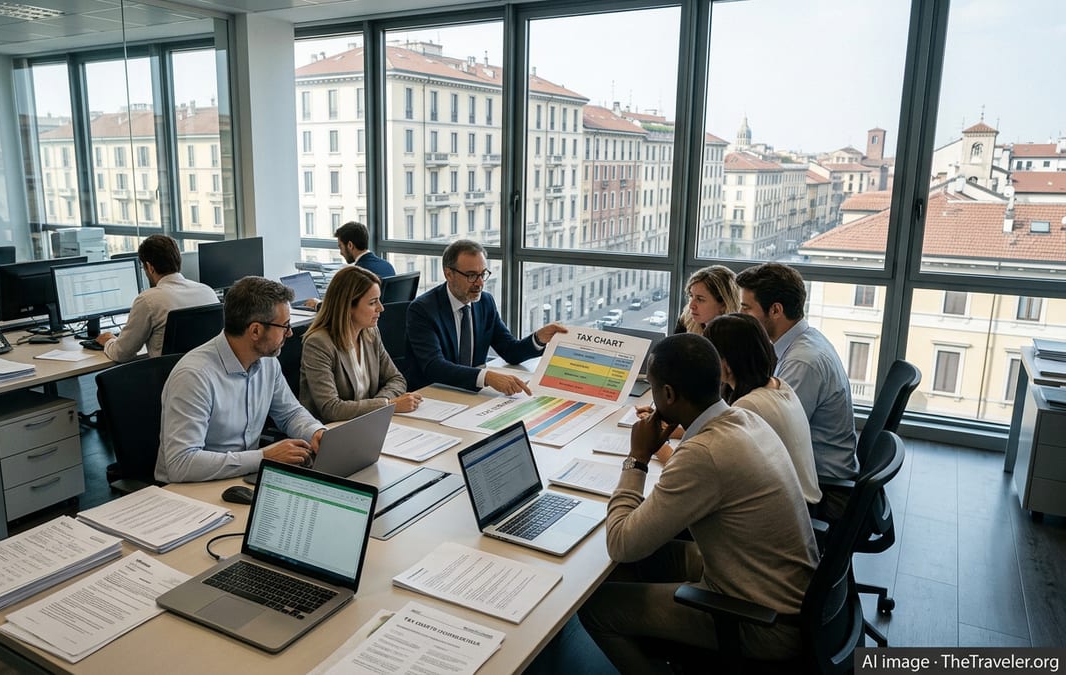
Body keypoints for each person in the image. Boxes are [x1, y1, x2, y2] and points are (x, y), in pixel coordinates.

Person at [578, 334, 818, 671]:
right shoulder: (746, 418)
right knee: (637, 561)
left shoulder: (703, 453)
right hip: (779, 587)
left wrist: (638, 458)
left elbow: (620, 543)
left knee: (597, 607)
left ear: (668, 394)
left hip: (764, 622)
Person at [156, 277, 325, 483]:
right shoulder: (194, 376)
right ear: (255, 330)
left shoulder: (267, 362)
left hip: (241, 477)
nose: (289, 333)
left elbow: (290, 414)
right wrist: (263, 457)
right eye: (285, 326)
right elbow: (181, 464)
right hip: (189, 488)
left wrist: (315, 432)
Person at [736, 262, 858, 514]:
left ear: (776, 310)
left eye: (746, 307)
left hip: (823, 489)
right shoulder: (804, 340)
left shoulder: (801, 362)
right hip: (816, 471)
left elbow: (769, 436)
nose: (739, 314)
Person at [404, 239, 566, 393]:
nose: (480, 283)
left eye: (482, 274)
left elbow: (510, 351)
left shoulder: (485, 302)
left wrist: (539, 338)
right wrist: (486, 377)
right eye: (471, 275)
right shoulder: (422, 309)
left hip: (471, 393)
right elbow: (434, 367)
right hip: (432, 394)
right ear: (449, 274)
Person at [703, 313, 822, 505]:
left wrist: (660, 448)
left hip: (785, 508)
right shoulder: (778, 385)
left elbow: (710, 468)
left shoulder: (748, 406)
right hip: (799, 502)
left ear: (726, 363)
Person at [299, 266, 422, 422]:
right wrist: (388, 405)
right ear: (348, 306)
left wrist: (380, 406)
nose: (381, 308)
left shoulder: (370, 333)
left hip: (366, 423)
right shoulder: (318, 344)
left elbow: (396, 379)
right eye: (372, 303)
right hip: (332, 429)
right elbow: (331, 408)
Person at [95, 234, 218, 362]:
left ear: (150, 267)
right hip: (206, 372)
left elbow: (122, 354)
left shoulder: (148, 300)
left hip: (169, 373)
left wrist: (109, 340)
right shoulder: (207, 291)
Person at [673, 264, 739, 335]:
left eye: (700, 299)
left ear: (724, 304)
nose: (691, 306)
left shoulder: (738, 332)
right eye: (691, 296)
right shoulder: (687, 318)